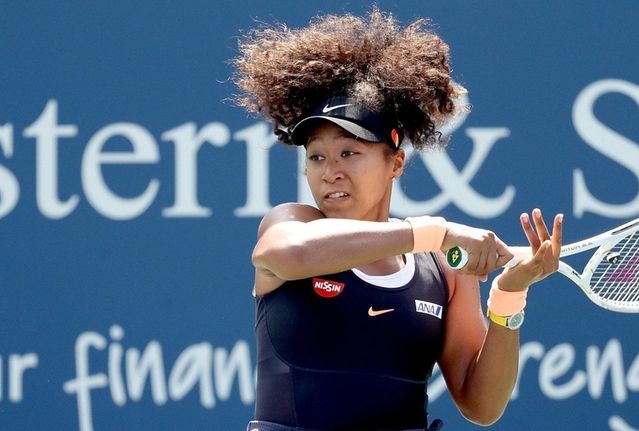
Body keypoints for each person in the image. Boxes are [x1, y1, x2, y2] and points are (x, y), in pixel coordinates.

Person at [232, 9, 564, 431]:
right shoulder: (292, 222)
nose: (329, 170)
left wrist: (508, 297)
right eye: (316, 156)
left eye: (349, 152)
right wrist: (434, 232)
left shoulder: (444, 268)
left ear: (396, 163)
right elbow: (286, 254)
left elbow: (482, 406)